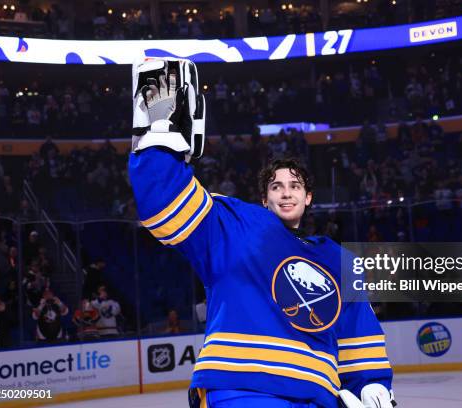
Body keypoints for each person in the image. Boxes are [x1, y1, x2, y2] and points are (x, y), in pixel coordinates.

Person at [128, 58, 394, 408]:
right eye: (276, 186)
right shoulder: (235, 225)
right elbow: (163, 204)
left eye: (295, 186)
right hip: (241, 391)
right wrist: (160, 138)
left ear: (308, 197)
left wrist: (372, 385)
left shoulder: (339, 260)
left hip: (318, 398)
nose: (286, 192)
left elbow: (358, 334)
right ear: (264, 198)